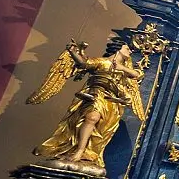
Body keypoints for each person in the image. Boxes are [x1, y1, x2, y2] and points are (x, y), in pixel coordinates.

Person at [30, 41, 144, 171]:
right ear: (118, 50)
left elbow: (138, 75)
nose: (130, 51)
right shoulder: (102, 62)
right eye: (127, 48)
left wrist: (121, 67)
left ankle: (88, 153)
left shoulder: (125, 70)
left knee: (101, 128)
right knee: (92, 117)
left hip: (112, 102)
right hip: (96, 94)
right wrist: (73, 52)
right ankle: (79, 150)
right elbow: (84, 63)